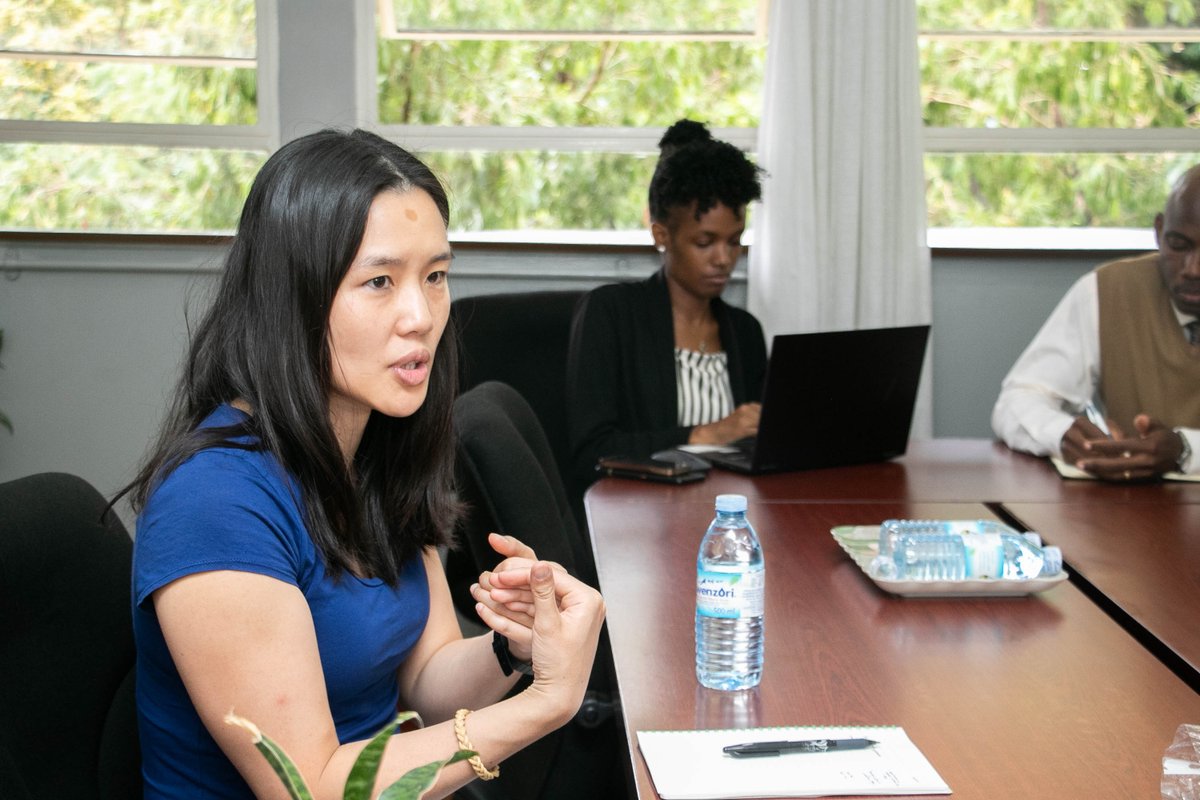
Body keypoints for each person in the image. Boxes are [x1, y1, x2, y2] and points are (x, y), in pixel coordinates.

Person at [120, 128, 605, 799]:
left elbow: (429, 678)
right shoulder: (214, 504)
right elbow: (313, 786)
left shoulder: (377, 449)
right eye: (379, 281)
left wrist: (513, 646)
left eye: (435, 276)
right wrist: (544, 704)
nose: (422, 315)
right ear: (293, 298)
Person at [566, 119, 768, 487]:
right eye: (705, 242)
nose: (724, 258)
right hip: (642, 519)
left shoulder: (744, 331)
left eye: (734, 240)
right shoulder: (610, 315)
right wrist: (704, 435)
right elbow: (591, 453)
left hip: (733, 514)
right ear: (662, 235)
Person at [991, 165, 1200, 480]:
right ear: (1158, 231)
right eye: (1178, 245)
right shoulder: (1107, 290)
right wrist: (1064, 434)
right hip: (1133, 511)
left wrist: (1184, 450)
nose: (1193, 269)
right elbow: (1017, 401)